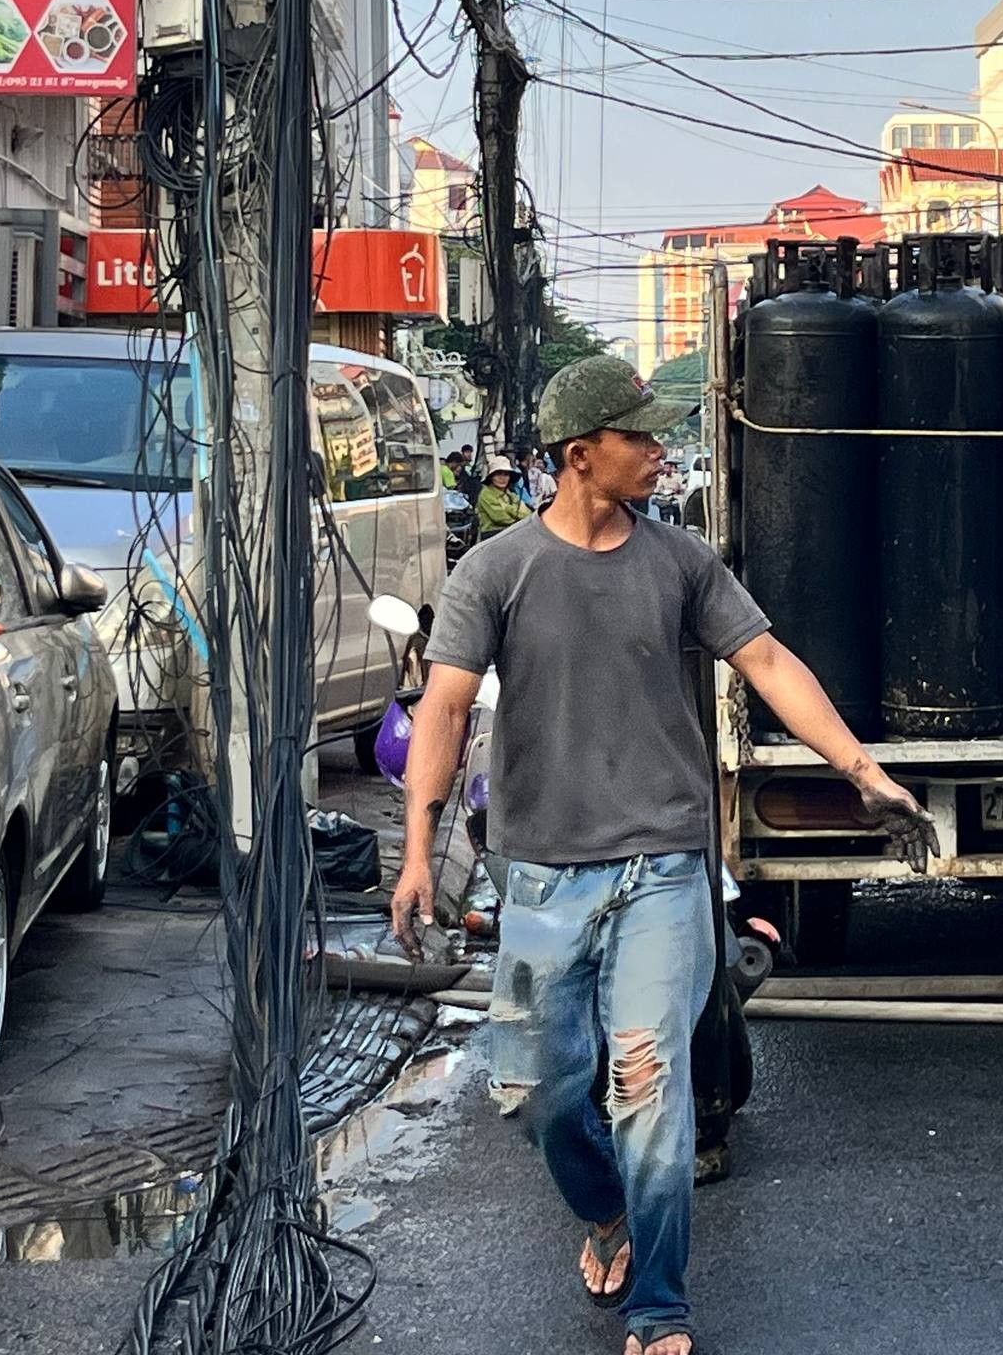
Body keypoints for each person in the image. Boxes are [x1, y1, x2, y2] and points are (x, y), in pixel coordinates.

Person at [393, 355, 934, 1355]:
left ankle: (658, 1305)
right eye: (638, 436)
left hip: (664, 867)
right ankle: (605, 1209)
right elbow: (446, 708)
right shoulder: (496, 571)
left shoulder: (679, 560)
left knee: (647, 1085)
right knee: (538, 1094)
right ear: (580, 454)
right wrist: (418, 852)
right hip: (541, 877)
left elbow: (766, 660)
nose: (657, 449)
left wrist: (864, 772)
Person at [473, 453, 531, 541]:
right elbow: (500, 518)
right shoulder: (486, 494)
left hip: (512, 533)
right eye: (498, 474)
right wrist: (516, 512)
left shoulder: (510, 494)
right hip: (492, 536)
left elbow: (527, 514)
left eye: (506, 474)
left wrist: (507, 508)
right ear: (491, 477)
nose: (502, 478)